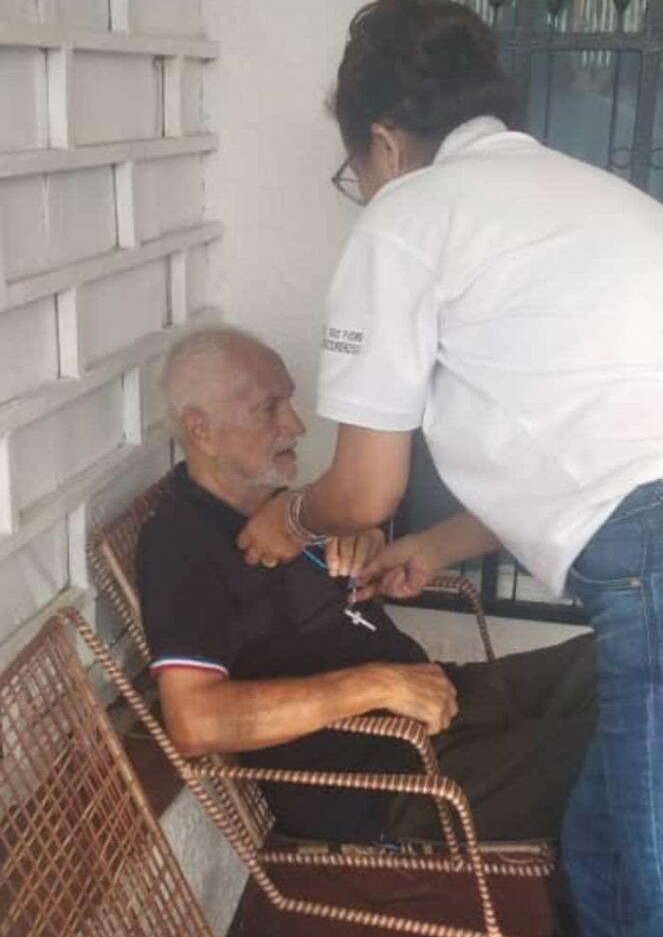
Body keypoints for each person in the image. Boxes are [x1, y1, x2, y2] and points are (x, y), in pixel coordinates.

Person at [235, 0, 663, 937]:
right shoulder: (590, 197)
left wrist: (287, 520)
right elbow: (591, 449)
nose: (363, 192)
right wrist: (434, 544)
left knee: (648, 873)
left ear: (383, 143)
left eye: (355, 172)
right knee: (602, 849)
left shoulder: (409, 216)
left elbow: (363, 491)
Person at [137, 324, 594, 851]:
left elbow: (318, 609)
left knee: (631, 663)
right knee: (622, 752)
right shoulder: (182, 542)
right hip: (388, 775)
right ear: (201, 429)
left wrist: (361, 543)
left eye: (289, 401)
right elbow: (195, 721)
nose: (296, 424)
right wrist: (377, 685)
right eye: (269, 408)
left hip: (442, 699)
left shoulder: (276, 510)